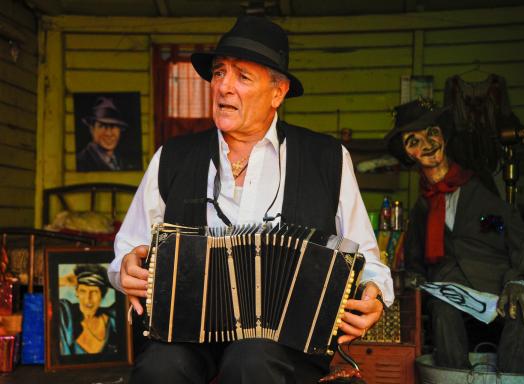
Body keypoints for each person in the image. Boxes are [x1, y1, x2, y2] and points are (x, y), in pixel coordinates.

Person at [108, 15, 394, 384]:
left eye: (242, 77)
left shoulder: (326, 158)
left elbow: (366, 259)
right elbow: (128, 249)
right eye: (219, 72)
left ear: (278, 92)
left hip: (286, 338)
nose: (223, 87)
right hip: (188, 331)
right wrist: (127, 268)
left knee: (252, 359)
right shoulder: (173, 157)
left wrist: (373, 294)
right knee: (158, 367)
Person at [384, 98, 524, 373]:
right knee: (442, 311)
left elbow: (518, 237)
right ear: (409, 153)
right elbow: (415, 259)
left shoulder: (479, 194)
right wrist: (413, 276)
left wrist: (520, 280)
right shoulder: (423, 208)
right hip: (451, 289)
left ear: (443, 135)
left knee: (520, 311)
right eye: (414, 140)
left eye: (431, 132)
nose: (427, 144)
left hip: (494, 284)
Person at [59, 264, 118, 355]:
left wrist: (104, 279)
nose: (88, 299)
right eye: (83, 291)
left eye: (94, 291)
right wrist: (65, 280)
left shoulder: (113, 318)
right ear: (77, 292)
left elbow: (123, 287)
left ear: (102, 294)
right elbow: (49, 289)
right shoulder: (66, 313)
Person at [77, 97, 130, 171]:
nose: (108, 133)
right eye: (102, 126)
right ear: (91, 129)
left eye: (113, 126)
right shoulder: (81, 162)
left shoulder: (123, 162)